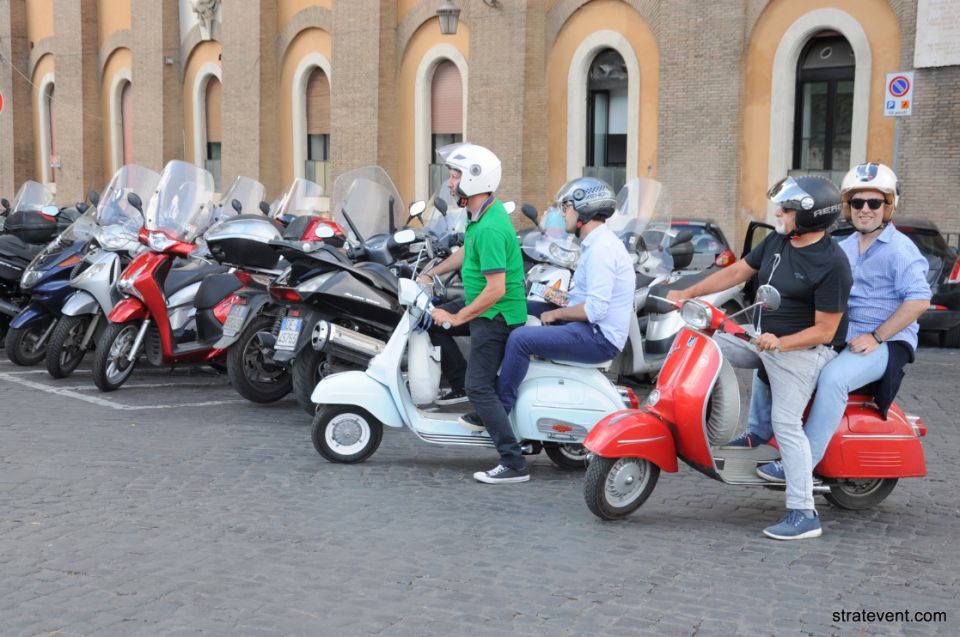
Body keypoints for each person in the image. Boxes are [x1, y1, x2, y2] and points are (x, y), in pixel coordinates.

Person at [667, 175, 852, 540]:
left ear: (811, 216)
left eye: (787, 209)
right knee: (704, 342)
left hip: (802, 353)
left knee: (786, 425)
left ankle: (804, 512)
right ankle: (712, 426)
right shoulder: (779, 241)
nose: (779, 212)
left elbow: (826, 331)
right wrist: (689, 293)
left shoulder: (833, 264)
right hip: (761, 340)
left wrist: (781, 345)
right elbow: (738, 271)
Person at [729, 164, 931, 484]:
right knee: (771, 349)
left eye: (874, 203)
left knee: (835, 379)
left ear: (888, 206)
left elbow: (919, 300)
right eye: (857, 203)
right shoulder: (844, 245)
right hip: (842, 334)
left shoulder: (901, 250)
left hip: (885, 342)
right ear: (847, 208)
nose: (865, 210)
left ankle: (801, 463)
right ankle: (758, 430)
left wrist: (878, 336)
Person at [417, 143, 530, 484]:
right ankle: (465, 389)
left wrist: (459, 316)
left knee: (479, 386)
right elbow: (468, 250)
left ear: (474, 179)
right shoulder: (480, 215)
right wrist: (431, 272)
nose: (450, 183)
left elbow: (496, 289)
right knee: (429, 321)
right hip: (483, 305)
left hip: (497, 316)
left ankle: (512, 462)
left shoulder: (493, 228)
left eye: (455, 176)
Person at [495, 177, 635, 415]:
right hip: (587, 327)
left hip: (598, 338)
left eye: (567, 207)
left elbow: (595, 310)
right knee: (515, 306)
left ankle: (499, 410)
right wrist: (553, 296)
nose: (563, 213)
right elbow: (584, 297)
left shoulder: (602, 250)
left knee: (520, 339)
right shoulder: (595, 243)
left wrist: (556, 312)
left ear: (585, 209)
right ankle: (491, 381)